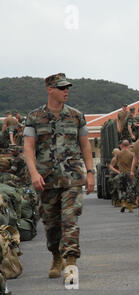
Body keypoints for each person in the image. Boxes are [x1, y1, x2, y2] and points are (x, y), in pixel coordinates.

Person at [23, 73, 94, 282]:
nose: (66, 91)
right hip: (46, 179)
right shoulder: (34, 117)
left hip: (72, 177)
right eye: (61, 88)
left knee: (70, 221)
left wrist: (90, 172)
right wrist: (34, 173)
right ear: (49, 90)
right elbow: (28, 148)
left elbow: (85, 145)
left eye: (67, 88)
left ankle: (71, 263)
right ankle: (56, 255)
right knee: (51, 225)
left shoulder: (76, 115)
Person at [116, 140, 135, 213]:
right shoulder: (131, 154)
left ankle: (123, 203)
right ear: (128, 145)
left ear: (122, 145)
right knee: (130, 189)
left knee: (122, 189)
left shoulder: (119, 153)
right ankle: (130, 206)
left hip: (121, 173)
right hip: (129, 173)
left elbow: (117, 162)